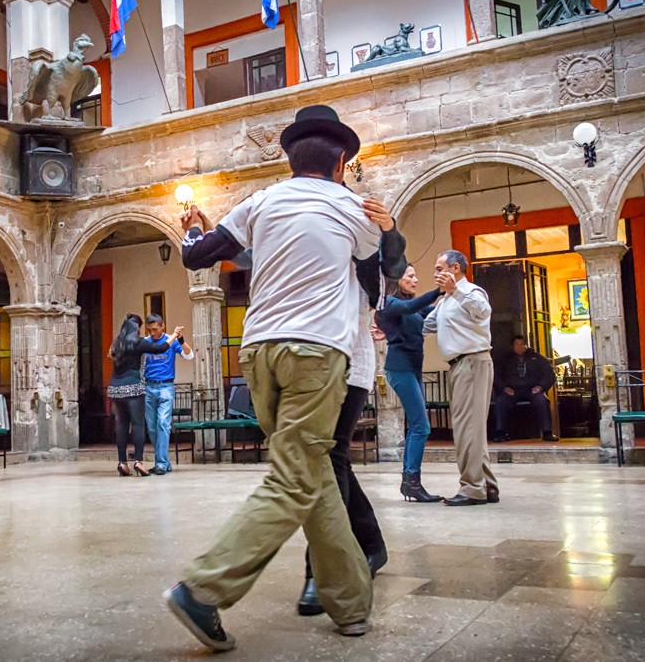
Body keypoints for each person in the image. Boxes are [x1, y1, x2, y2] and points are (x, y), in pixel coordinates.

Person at [163, 105, 387, 651]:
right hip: (316, 354)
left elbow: (200, 258)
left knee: (309, 469)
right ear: (340, 164)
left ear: (289, 161)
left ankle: (350, 602)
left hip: (257, 352)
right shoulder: (352, 207)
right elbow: (379, 283)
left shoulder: (262, 201)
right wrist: (388, 228)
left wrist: (191, 226)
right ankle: (204, 589)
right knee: (295, 477)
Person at [297, 197, 406, 617]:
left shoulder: (364, 237)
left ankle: (322, 570)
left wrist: (390, 228)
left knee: (324, 459)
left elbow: (393, 269)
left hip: (349, 359)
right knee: (331, 459)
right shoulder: (305, 233)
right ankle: (371, 545)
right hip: (306, 360)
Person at [423, 250, 499, 506]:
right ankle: (486, 485)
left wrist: (456, 291)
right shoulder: (445, 301)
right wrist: (388, 328)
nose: (434, 273)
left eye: (438, 267)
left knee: (468, 427)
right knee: (471, 428)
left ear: (454, 268)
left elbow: (482, 311)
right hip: (458, 366)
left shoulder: (471, 292)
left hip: (473, 362)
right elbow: (425, 325)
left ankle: (471, 489)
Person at [376, 265, 443, 502]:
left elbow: (433, 311)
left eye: (416, 275)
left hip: (413, 368)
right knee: (420, 426)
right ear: (397, 279)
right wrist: (438, 290)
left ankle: (410, 483)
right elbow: (409, 307)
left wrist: (456, 293)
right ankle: (412, 481)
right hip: (399, 368)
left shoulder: (414, 307)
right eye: (411, 276)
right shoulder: (389, 303)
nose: (416, 279)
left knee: (417, 426)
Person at [108, 314, 183, 477]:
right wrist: (175, 337)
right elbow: (162, 348)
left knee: (121, 426)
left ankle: (122, 463)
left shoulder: (116, 344)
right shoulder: (138, 342)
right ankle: (138, 462)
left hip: (114, 388)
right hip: (133, 388)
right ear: (137, 328)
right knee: (138, 425)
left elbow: (112, 356)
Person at [142, 314, 194, 475]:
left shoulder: (171, 341)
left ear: (163, 326)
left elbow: (189, 355)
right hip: (149, 387)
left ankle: (161, 463)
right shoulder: (146, 342)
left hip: (166, 386)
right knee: (151, 427)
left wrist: (181, 339)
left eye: (155, 329)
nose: (152, 333)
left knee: (163, 424)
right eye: (149, 330)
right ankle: (164, 461)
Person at [493, 335, 557, 442]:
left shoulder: (536, 358)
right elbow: (495, 375)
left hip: (531, 390)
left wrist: (541, 387)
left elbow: (549, 373)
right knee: (501, 401)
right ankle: (500, 432)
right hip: (512, 390)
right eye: (517, 345)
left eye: (522, 344)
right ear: (512, 346)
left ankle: (547, 432)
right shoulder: (504, 359)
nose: (520, 347)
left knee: (542, 401)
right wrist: (504, 388)